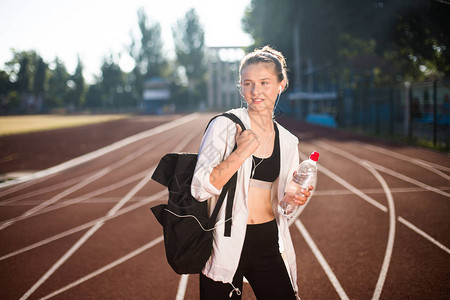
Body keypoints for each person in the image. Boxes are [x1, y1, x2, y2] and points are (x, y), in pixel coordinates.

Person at [191, 46, 313, 300]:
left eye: (264, 82)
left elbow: (284, 205)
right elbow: (199, 188)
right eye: (248, 83)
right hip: (225, 241)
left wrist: (293, 199)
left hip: (268, 240)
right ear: (241, 87)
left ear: (281, 84)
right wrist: (239, 153)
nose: (256, 91)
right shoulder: (224, 126)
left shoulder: (288, 141)